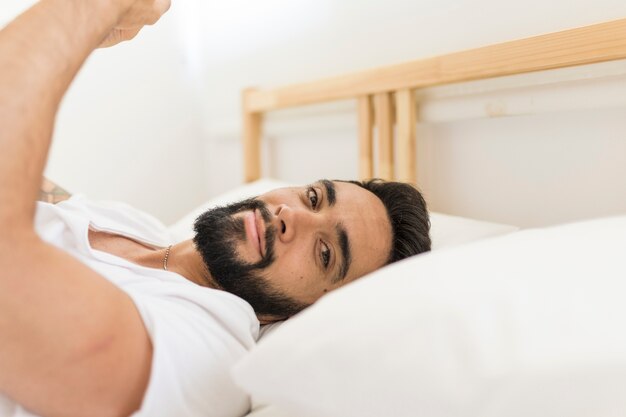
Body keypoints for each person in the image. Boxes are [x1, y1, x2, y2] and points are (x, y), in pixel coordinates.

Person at [0, 1, 431, 417]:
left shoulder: (206, 354)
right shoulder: (142, 229)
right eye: (313, 198)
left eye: (325, 253)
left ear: (313, 309)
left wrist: (91, 10)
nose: (292, 216)